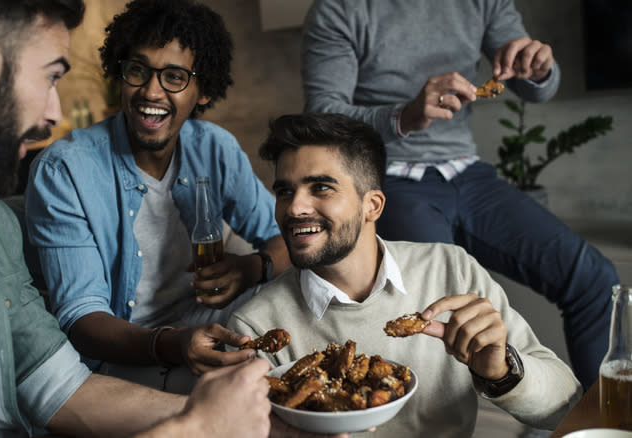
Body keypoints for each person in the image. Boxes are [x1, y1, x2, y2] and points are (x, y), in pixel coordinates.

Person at [0, 1, 276, 437]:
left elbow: (60, 388)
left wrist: (236, 421)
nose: (55, 114)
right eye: (51, 75)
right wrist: (201, 427)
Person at [300, 0, 618, 389]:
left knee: (595, 280)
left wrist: (540, 68)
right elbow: (321, 114)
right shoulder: (339, 9)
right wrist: (404, 115)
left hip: (468, 175)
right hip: (391, 178)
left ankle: (596, 422)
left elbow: (536, 86)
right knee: (433, 316)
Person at [227, 113, 582, 437]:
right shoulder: (257, 326)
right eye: (285, 191)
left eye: (321, 187)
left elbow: (565, 405)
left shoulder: (450, 270)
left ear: (373, 205)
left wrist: (502, 371)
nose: (294, 208)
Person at [25, 0, 289, 391]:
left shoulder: (214, 148)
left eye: (175, 77)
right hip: (123, 355)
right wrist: (173, 344)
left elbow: (287, 239)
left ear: (203, 91)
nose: (151, 91)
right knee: (247, 393)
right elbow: (81, 319)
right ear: (120, 73)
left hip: (206, 325)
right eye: (138, 71)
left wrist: (253, 268)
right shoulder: (64, 170)